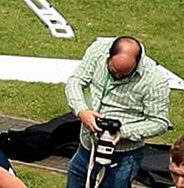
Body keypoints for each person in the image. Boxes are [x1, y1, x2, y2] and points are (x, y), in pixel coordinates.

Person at [63, 36, 173, 188]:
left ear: (138, 62)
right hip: (87, 146)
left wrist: (122, 132)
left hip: (124, 155)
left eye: (125, 74)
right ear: (109, 55)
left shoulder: (155, 81)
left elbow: (160, 123)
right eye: (114, 71)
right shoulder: (98, 51)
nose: (119, 76)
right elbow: (75, 81)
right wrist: (82, 111)